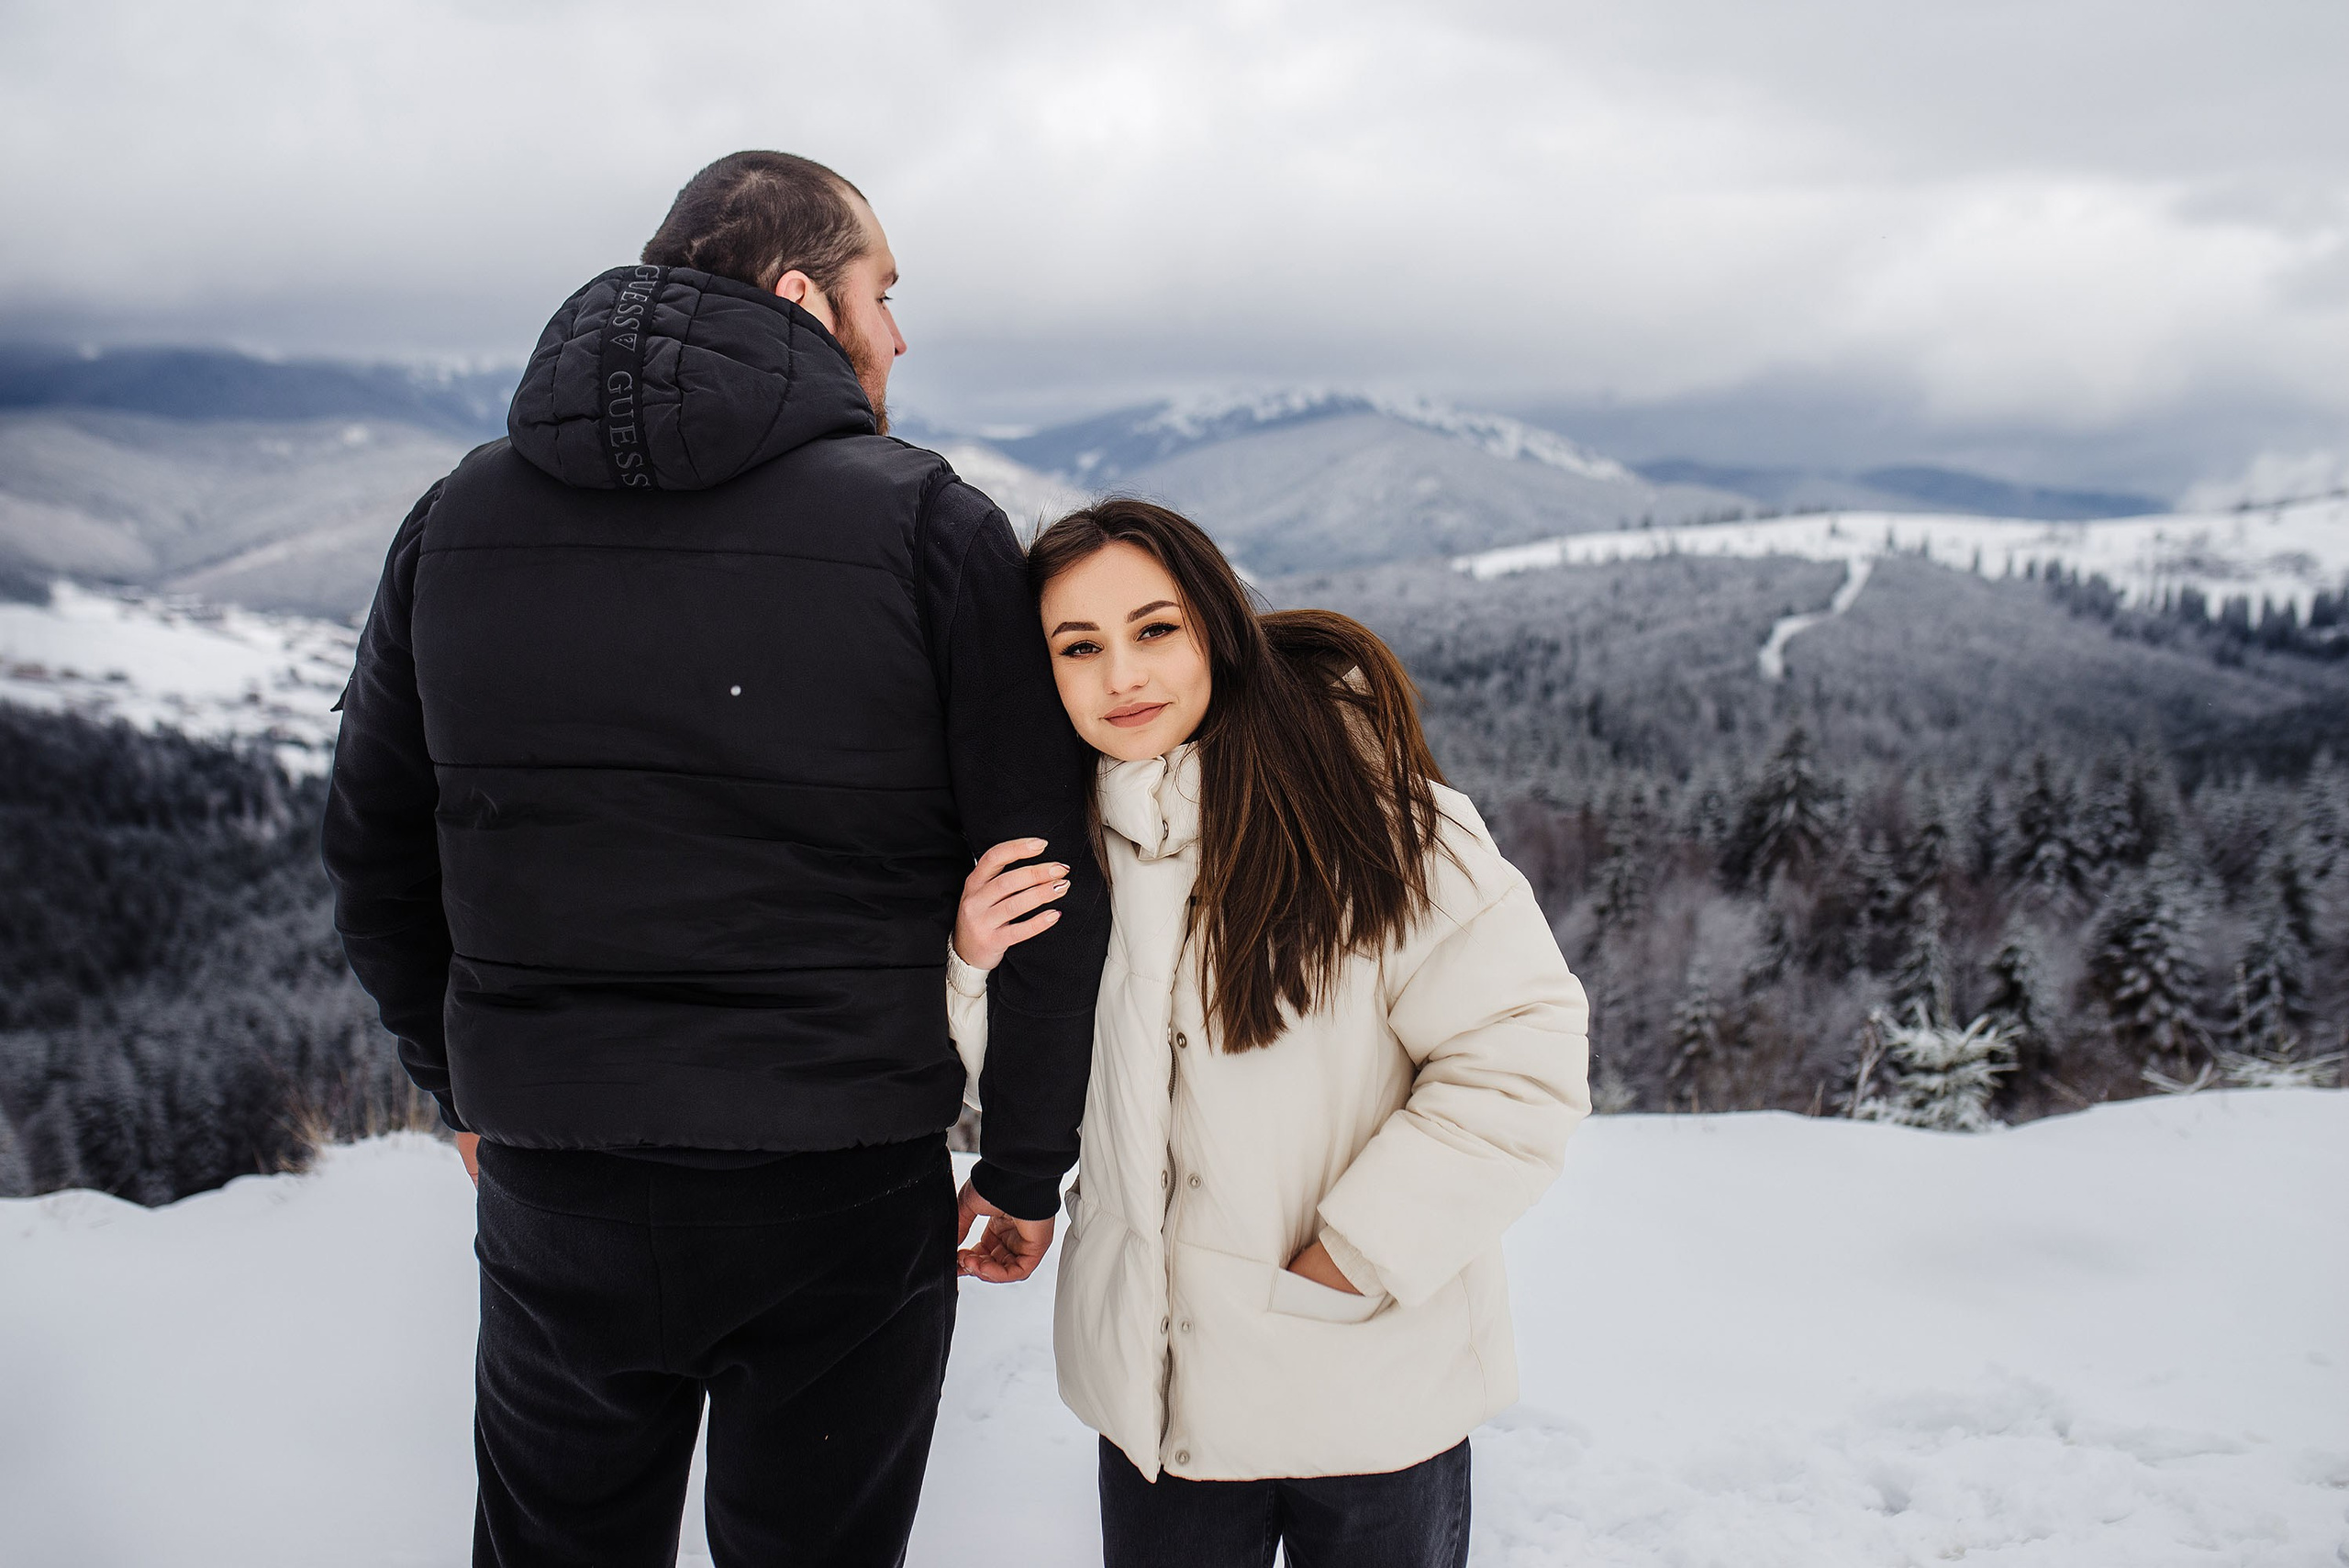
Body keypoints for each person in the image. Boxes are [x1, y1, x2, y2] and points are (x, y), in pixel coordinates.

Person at [322, 150, 1109, 1566]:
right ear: (803, 294)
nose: (899, 332)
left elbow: (376, 850)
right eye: (884, 290)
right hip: (837, 1182)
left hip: (561, 1182)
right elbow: (1043, 865)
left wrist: (468, 1085)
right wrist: (1027, 1158)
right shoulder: (926, 523)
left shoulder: (454, 522)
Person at [948, 499, 1591, 1566]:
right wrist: (971, 959)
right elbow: (1027, 1074)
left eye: (1154, 629)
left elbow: (1520, 1057)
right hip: (1163, 1407)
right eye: (1079, 646)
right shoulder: (1061, 851)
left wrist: (1352, 1255)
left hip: (1369, 1388)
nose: (1123, 676)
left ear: (1214, 626)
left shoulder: (1371, 818)